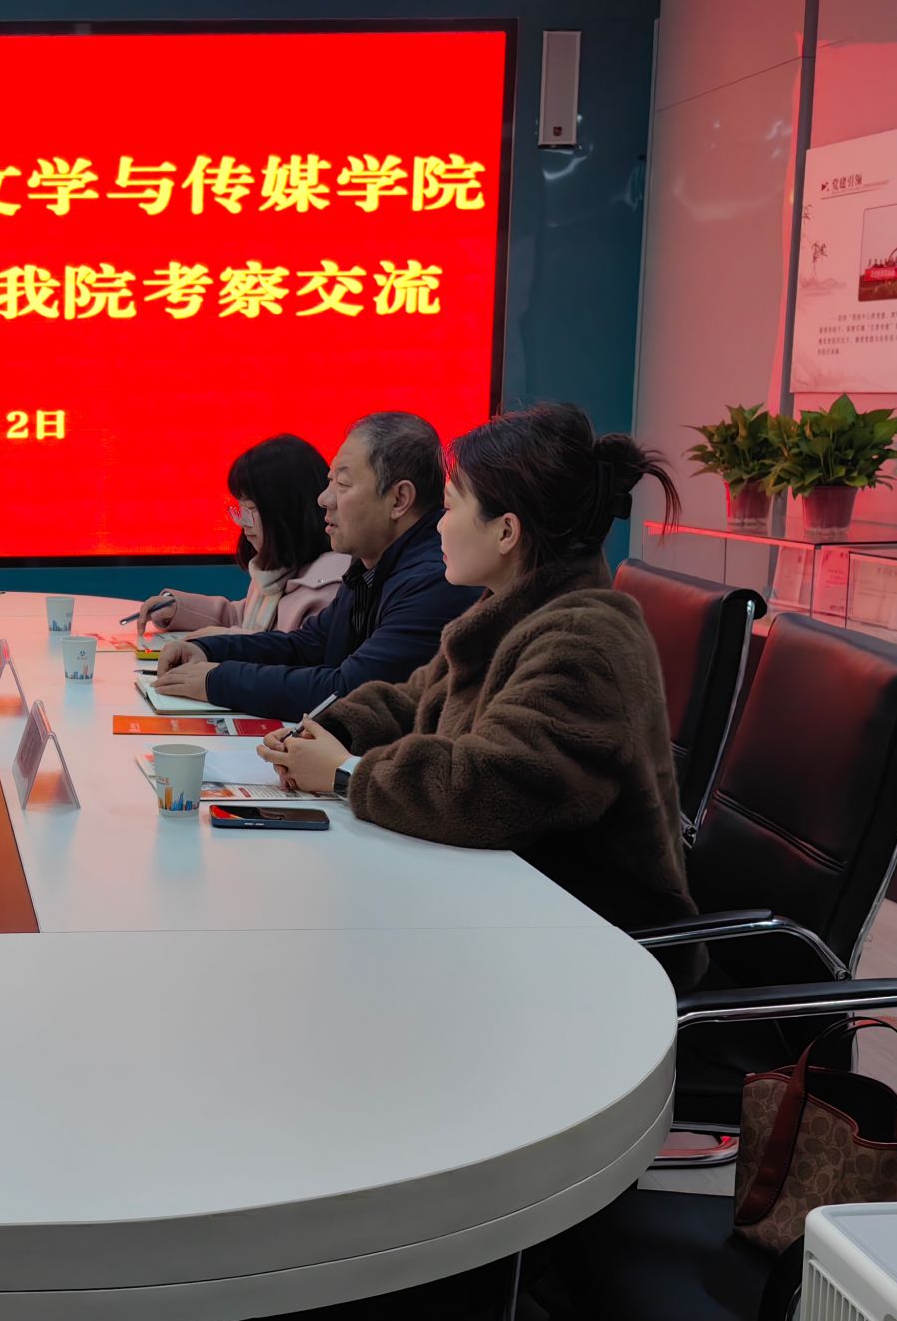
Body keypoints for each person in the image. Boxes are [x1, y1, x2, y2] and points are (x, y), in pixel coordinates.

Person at [259, 402, 699, 945]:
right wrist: (332, 731)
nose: (438, 526)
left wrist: (346, 772)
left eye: (449, 508)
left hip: (588, 943)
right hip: (502, 909)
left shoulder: (584, 640)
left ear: (506, 532)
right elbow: (415, 698)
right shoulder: (509, 612)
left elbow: (489, 789)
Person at [154, 412, 481, 721]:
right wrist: (208, 649)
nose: (324, 499)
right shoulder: (370, 565)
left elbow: (348, 691)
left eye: (343, 484)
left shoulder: (434, 581)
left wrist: (216, 680)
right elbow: (306, 645)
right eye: (329, 481)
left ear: (399, 500)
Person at [132, 434, 351, 637]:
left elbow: (289, 653)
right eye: (240, 508)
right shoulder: (279, 570)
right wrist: (177, 608)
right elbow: (242, 619)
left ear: (288, 510)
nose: (243, 522)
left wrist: (219, 640)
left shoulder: (328, 589)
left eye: (252, 508)